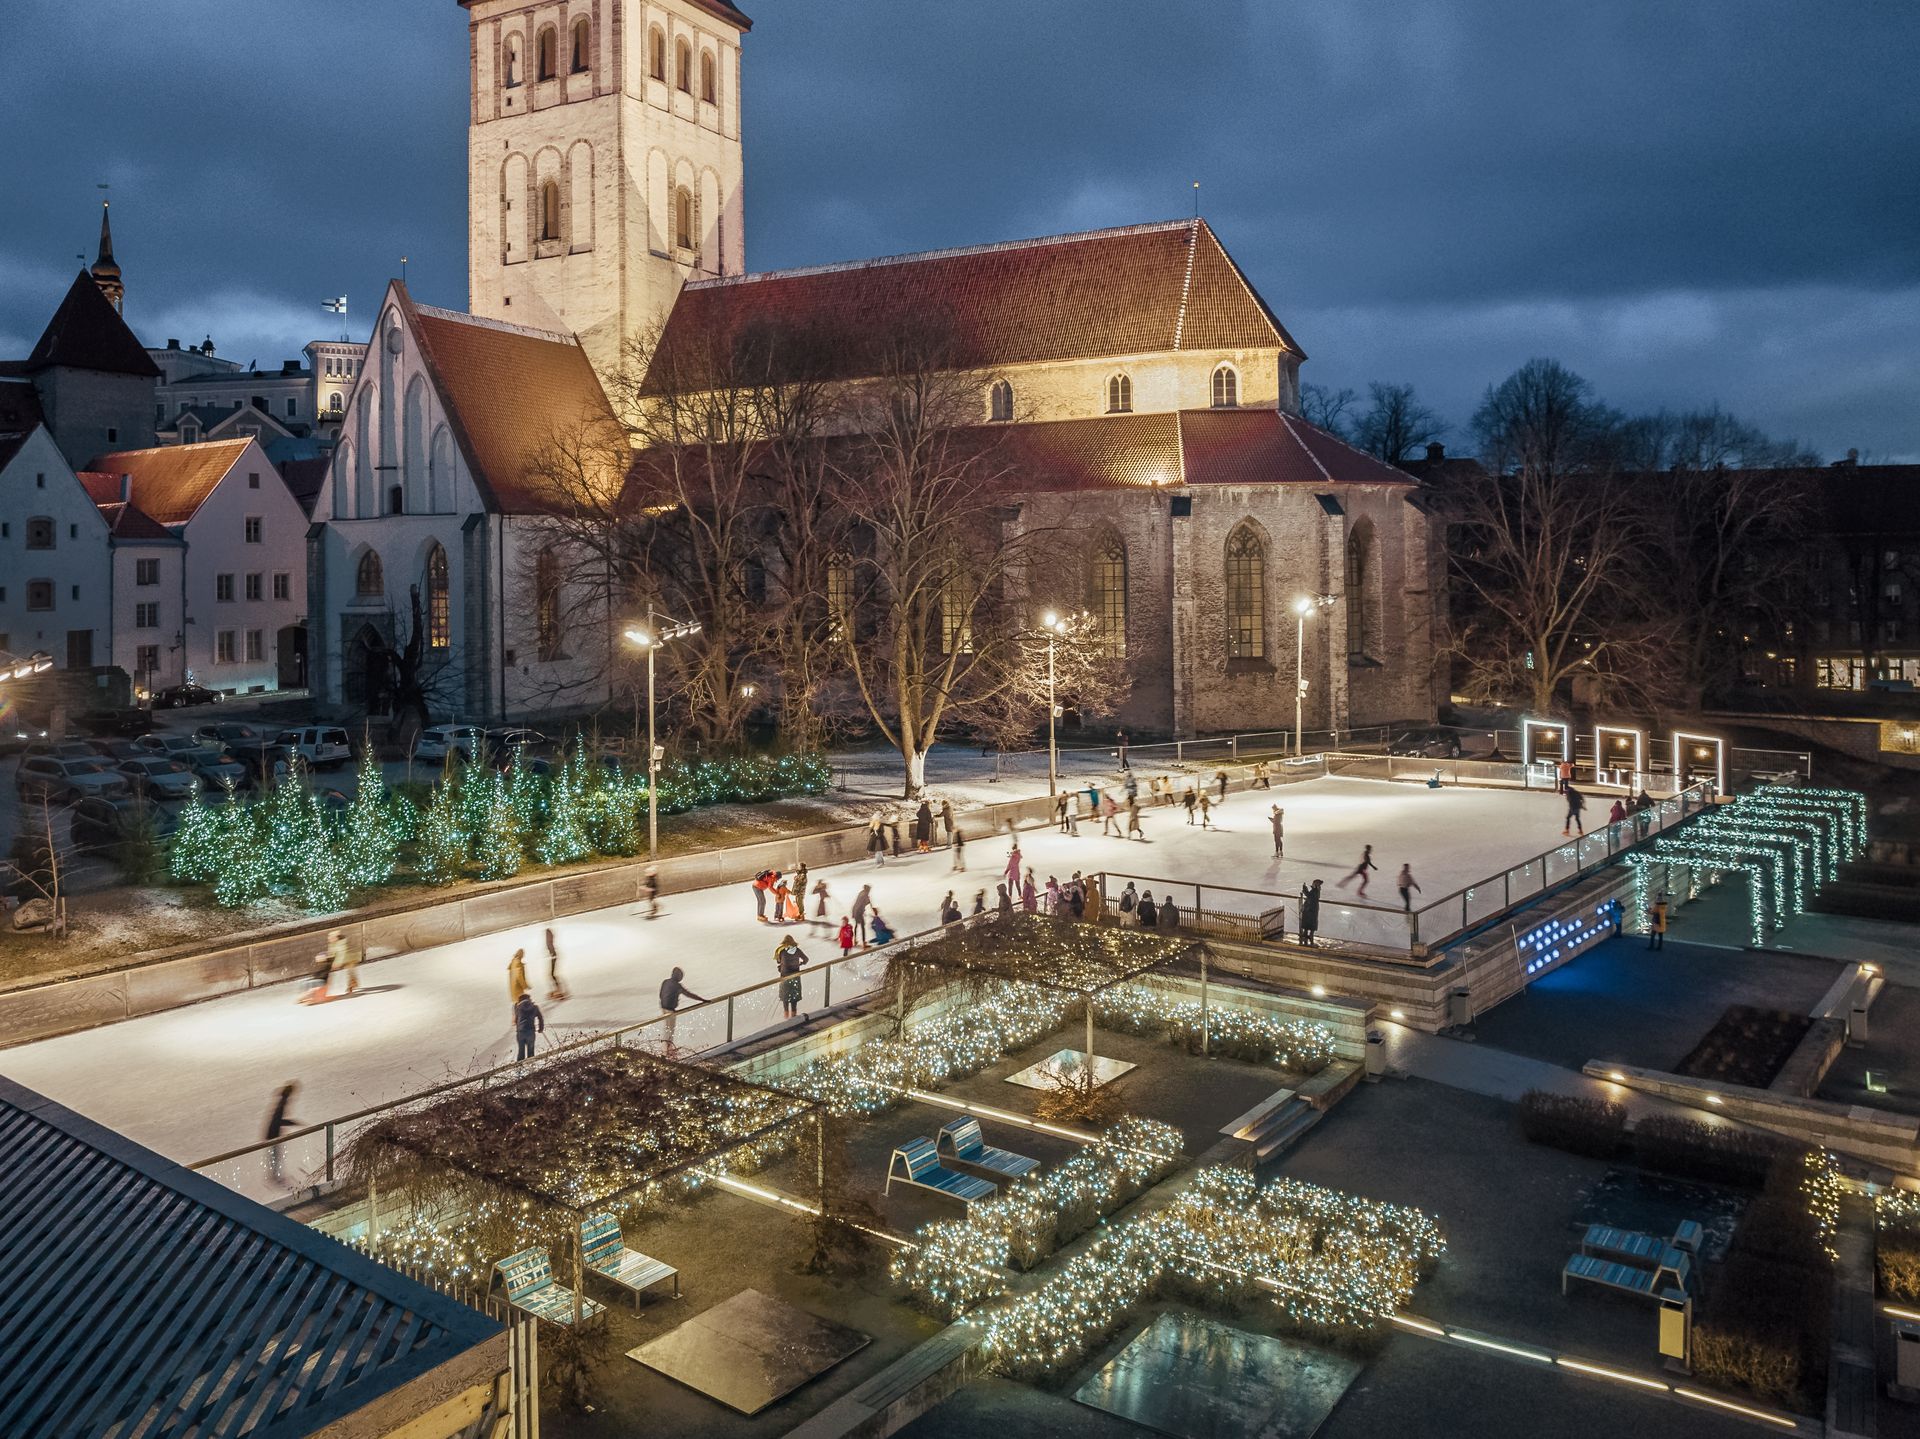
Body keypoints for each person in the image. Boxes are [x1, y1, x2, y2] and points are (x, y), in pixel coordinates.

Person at [659, 966, 706, 1051]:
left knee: (667, 1029)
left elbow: (661, 995)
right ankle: (666, 1051)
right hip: (670, 1010)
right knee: (669, 1030)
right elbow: (689, 994)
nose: (681, 978)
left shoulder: (665, 982)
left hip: (663, 1008)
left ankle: (666, 1049)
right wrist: (703, 1000)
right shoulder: (677, 986)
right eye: (680, 976)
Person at [265, 1081, 302, 1183]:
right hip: (273, 1134)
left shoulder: (282, 1100)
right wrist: (293, 1122)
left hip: (273, 1133)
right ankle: (275, 1176)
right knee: (276, 1154)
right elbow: (278, 1120)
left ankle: (275, 1175)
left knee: (276, 1154)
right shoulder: (283, 1102)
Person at [775, 934, 809, 1019]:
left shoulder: (782, 951)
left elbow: (778, 961)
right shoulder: (797, 950)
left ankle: (786, 1016)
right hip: (795, 976)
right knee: (794, 996)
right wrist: (800, 963)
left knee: (785, 997)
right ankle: (794, 1016)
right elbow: (806, 959)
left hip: (785, 977)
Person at [513, 992, 545, 1061]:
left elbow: (515, 1020)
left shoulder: (517, 1007)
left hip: (521, 1032)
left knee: (521, 1052)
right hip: (531, 1031)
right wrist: (540, 1028)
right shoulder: (534, 1007)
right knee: (531, 1052)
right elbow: (540, 1018)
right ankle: (531, 1068)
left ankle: (520, 1069)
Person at [328, 928, 359, 997]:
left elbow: (342, 954)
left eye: (332, 937)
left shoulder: (341, 943)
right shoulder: (332, 943)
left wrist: (337, 963)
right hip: (346, 959)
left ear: (336, 937)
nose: (330, 939)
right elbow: (332, 953)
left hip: (350, 958)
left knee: (350, 972)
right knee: (350, 972)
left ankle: (351, 986)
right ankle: (354, 984)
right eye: (329, 937)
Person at [544, 926, 568, 1002]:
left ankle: (559, 990)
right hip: (553, 956)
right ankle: (558, 990)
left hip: (553, 957)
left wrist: (552, 955)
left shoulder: (549, 941)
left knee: (552, 975)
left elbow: (550, 946)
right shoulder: (549, 941)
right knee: (551, 975)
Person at [1298, 880, 1323, 945]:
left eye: (1313, 883)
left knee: (1308, 921)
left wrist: (1304, 889)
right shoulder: (1316, 890)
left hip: (1310, 909)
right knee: (1310, 922)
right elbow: (1310, 896)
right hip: (1312, 909)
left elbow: (1309, 896)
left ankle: (1308, 936)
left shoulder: (1315, 891)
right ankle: (1307, 935)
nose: (1312, 884)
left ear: (1315, 884)